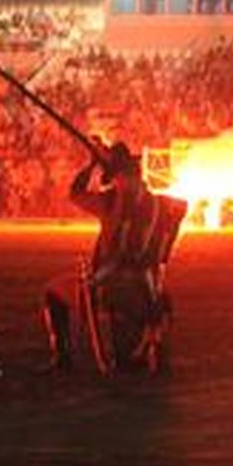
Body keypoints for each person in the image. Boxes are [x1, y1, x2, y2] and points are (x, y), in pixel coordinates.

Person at [41, 140, 185, 374]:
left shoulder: (111, 201)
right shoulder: (162, 204)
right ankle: (146, 345)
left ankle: (63, 358)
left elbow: (76, 194)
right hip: (150, 290)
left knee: (52, 291)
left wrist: (91, 165)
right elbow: (164, 251)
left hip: (110, 288)